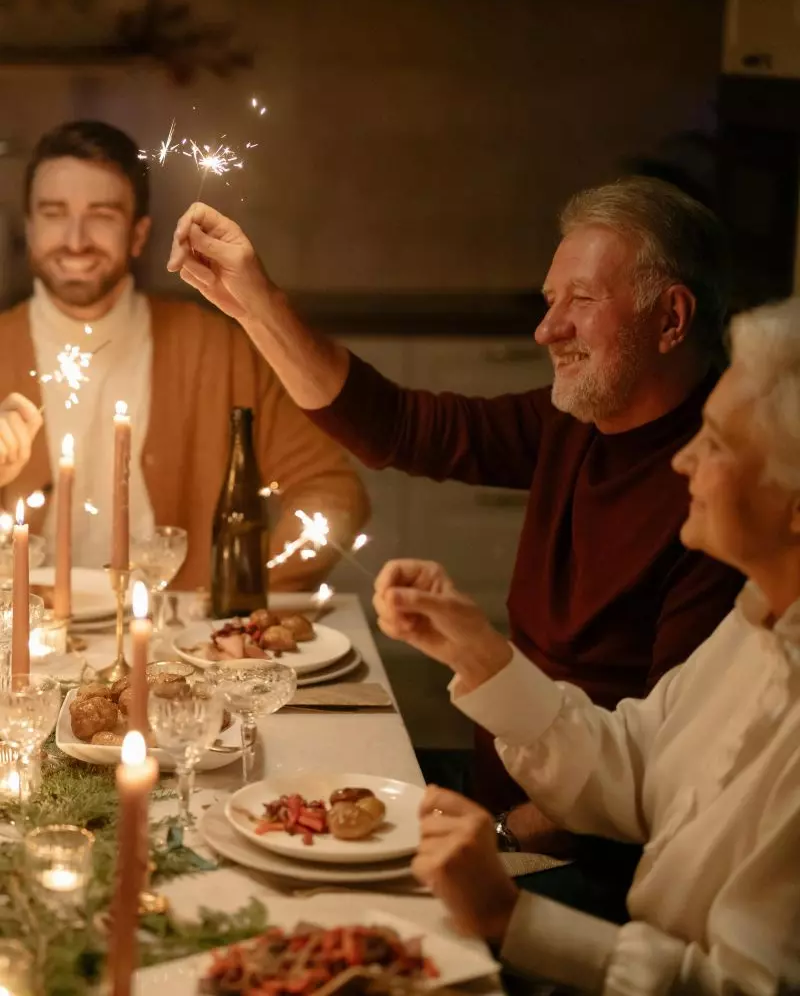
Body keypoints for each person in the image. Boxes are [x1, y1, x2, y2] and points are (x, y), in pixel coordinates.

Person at [165, 178, 744, 853]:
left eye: (582, 301)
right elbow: (401, 427)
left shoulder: (725, 502)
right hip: (490, 796)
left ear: (672, 319)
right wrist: (255, 306)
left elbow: (669, 772)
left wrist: (500, 838)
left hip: (570, 850)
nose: (546, 329)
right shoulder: (577, 422)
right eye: (549, 301)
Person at [371, 298, 800, 995]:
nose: (684, 459)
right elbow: (635, 767)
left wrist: (510, 917)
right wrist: (477, 653)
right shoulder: (756, 623)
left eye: (716, 443)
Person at [0, 120, 369, 589]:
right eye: (54, 214)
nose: (75, 239)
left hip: (176, 647)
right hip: (28, 646)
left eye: (102, 214)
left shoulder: (218, 348)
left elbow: (332, 491)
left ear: (138, 235)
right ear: (29, 230)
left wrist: (246, 598)